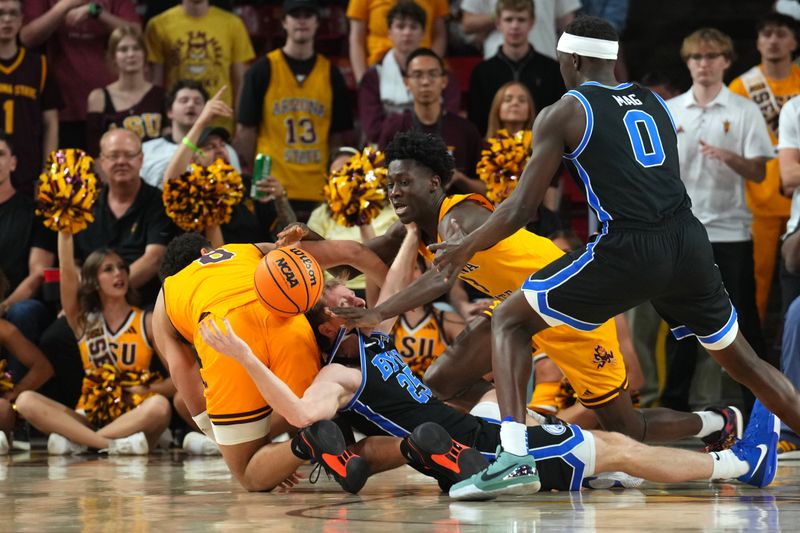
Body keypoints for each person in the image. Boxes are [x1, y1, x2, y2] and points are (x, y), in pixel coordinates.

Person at [425, 16, 800, 498]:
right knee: (746, 362)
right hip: (688, 239)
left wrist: (465, 248)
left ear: (573, 59)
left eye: (561, 60)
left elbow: (521, 207)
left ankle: (514, 457)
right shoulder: (655, 101)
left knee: (512, 321)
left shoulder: (565, 111)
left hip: (631, 244)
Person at [200, 228, 782, 497]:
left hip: (479, 431)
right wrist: (247, 356)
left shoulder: (363, 335)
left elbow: (395, 284)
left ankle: (603, 473)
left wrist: (409, 231)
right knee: (619, 445)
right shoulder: (338, 373)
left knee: (574, 441)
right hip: (486, 449)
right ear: (327, 323)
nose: (354, 293)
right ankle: (738, 467)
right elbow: (301, 410)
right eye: (341, 296)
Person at [332, 129, 741, 451]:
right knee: (440, 383)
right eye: (390, 184)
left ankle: (718, 421)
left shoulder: (460, 213)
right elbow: (352, 257)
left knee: (627, 426)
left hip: (572, 305)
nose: (395, 191)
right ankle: (532, 430)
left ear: (435, 182)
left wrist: (377, 313)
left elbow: (441, 277)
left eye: (404, 181)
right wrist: (305, 249)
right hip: (520, 310)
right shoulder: (410, 229)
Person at [152, 232, 386, 492]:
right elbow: (350, 251)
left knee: (249, 473)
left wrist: (233, 446)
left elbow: (184, 375)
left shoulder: (167, 291)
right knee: (306, 409)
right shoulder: (246, 248)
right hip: (287, 322)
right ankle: (350, 446)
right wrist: (392, 292)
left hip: (228, 335)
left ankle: (306, 443)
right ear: (207, 252)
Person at [663, 28, 774, 412]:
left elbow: (760, 172)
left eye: (711, 57)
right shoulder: (671, 109)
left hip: (731, 230)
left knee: (743, 325)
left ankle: (759, 408)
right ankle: (673, 409)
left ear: (726, 61)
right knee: (679, 325)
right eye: (696, 57)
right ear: (687, 62)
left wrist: (730, 158)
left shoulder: (743, 110)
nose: (703, 64)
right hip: (682, 232)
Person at [14, 227, 173, 456]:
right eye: (108, 269)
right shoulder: (83, 321)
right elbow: (67, 276)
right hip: (90, 416)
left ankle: (84, 442)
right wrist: (65, 231)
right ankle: (108, 445)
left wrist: (147, 388)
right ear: (93, 281)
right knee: (26, 400)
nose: (119, 274)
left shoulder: (146, 321)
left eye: (121, 268)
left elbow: (176, 379)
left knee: (159, 406)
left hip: (135, 415)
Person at [234, 0, 353, 221]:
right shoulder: (262, 70)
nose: (301, 20)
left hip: (317, 189)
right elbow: (245, 130)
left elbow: (337, 136)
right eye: (295, 14)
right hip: (272, 188)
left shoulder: (331, 74)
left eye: (308, 15)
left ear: (317, 23)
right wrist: (259, 174)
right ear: (284, 22)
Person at [729, 13, 800, 322]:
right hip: (757, 200)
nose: (773, 40)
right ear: (758, 42)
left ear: (794, 42)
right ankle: (750, 360)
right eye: (766, 34)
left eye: (781, 34)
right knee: (754, 286)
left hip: (797, 198)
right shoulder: (742, 86)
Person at [163, 86, 295, 247]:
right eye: (209, 147)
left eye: (222, 144)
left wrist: (281, 199)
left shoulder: (249, 184)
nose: (219, 149)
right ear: (193, 159)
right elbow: (171, 182)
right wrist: (201, 122)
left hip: (258, 266)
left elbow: (288, 235)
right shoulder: (194, 190)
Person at [21, 0, 140, 149]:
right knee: (69, 171)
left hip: (111, 105)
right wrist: (65, 6)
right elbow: (26, 38)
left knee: (110, 168)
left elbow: (136, 33)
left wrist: (96, 12)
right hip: (64, 105)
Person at [378, 48, 483, 195]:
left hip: (458, 212)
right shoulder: (395, 127)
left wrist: (460, 179)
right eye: (417, 75)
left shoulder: (465, 130)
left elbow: (486, 189)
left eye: (433, 74)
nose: (425, 82)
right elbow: (380, 184)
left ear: (444, 80)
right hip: (407, 214)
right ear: (406, 82)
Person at [357, 0, 460, 144]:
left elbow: (451, 123)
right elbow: (373, 130)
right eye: (400, 26)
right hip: (387, 153)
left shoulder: (443, 75)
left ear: (423, 33)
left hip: (435, 150)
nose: (407, 32)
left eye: (413, 27)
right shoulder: (373, 77)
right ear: (389, 33)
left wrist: (396, 123)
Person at [144, 0, 254, 134]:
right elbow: (155, 83)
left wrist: (241, 128)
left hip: (221, 128)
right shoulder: (158, 25)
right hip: (177, 128)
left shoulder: (233, 24)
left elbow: (240, 81)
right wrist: (161, 124)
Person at [306, 147, 398, 300]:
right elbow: (311, 262)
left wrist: (364, 219)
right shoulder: (321, 214)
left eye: (349, 170)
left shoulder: (394, 208)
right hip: (334, 292)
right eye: (337, 175)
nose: (345, 179)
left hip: (384, 286)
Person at [467, 0, 564, 137]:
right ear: (498, 24)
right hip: (492, 150)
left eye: (521, 19)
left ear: (531, 23)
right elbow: (477, 123)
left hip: (542, 149)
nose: (515, 26)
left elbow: (558, 121)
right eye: (508, 19)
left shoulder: (552, 70)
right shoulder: (482, 72)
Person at [0, 0, 59, 196]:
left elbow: (51, 122)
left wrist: (48, 171)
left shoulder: (39, 65)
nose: (7, 19)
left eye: (13, 14)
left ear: (21, 21)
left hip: (27, 171)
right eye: (1, 13)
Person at [141, 80, 240, 190]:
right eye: (184, 101)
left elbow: (236, 189)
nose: (191, 104)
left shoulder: (225, 150)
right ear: (169, 111)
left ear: (205, 111)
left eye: (197, 102)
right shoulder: (147, 150)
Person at [86, 25, 165, 157]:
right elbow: (95, 154)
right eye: (123, 49)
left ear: (145, 55)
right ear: (113, 56)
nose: (131, 54)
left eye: (136, 48)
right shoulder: (98, 98)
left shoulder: (161, 96)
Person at [0, 269, 54, 454]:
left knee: (3, 409)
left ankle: (8, 435)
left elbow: (43, 367)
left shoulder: (4, 330)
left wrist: (14, 393)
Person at [347, 0, 448, 84]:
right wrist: (362, 80)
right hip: (379, 67)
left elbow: (439, 35)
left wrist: (431, 67)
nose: (407, 32)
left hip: (422, 65)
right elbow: (356, 39)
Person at [461, 0, 580, 60]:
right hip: (497, 60)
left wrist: (567, 61)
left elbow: (568, 24)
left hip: (546, 57)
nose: (515, 25)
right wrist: (501, 16)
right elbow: (467, 23)